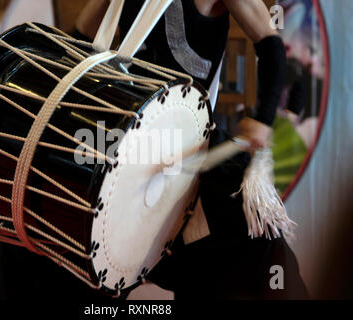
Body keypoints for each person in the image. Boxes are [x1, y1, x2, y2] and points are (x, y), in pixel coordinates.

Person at [74, 0, 309, 299]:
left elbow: (268, 38)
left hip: (192, 150)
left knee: (262, 250)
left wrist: (262, 120)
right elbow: (83, 41)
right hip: (130, 149)